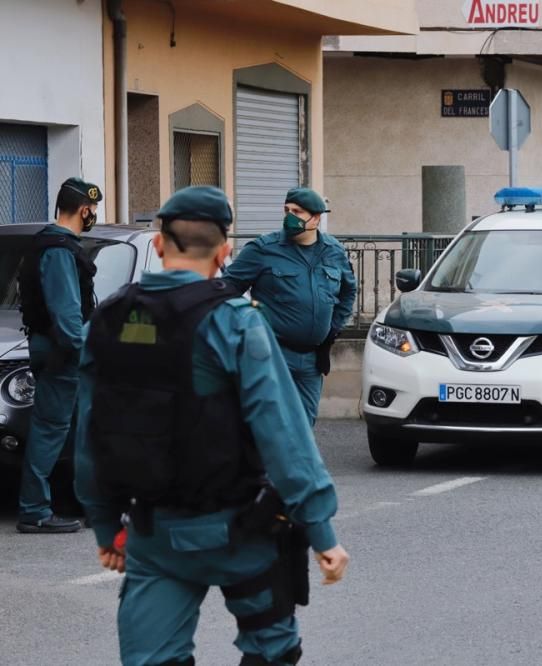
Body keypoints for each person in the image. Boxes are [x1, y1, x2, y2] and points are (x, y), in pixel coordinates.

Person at [74, 186, 349, 665]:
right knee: (272, 651)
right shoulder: (236, 322)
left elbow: (90, 435)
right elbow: (283, 434)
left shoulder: (108, 319)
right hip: (240, 533)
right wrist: (321, 532)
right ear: (224, 253)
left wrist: (104, 527)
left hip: (153, 536)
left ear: (158, 245)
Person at [223, 187, 357, 425]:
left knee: (304, 427)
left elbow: (348, 291)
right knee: (269, 426)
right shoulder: (264, 249)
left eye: (297, 211)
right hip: (272, 354)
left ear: (316, 218)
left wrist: (330, 333)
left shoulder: (333, 251)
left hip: (312, 359)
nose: (289, 216)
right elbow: (225, 292)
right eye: (286, 210)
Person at [15, 177, 102, 534]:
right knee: (50, 429)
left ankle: (84, 503)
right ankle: (34, 510)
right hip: (63, 352)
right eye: (93, 211)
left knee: (83, 428)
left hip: (60, 349)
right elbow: (67, 317)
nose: (93, 216)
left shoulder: (52, 244)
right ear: (84, 209)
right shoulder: (59, 250)